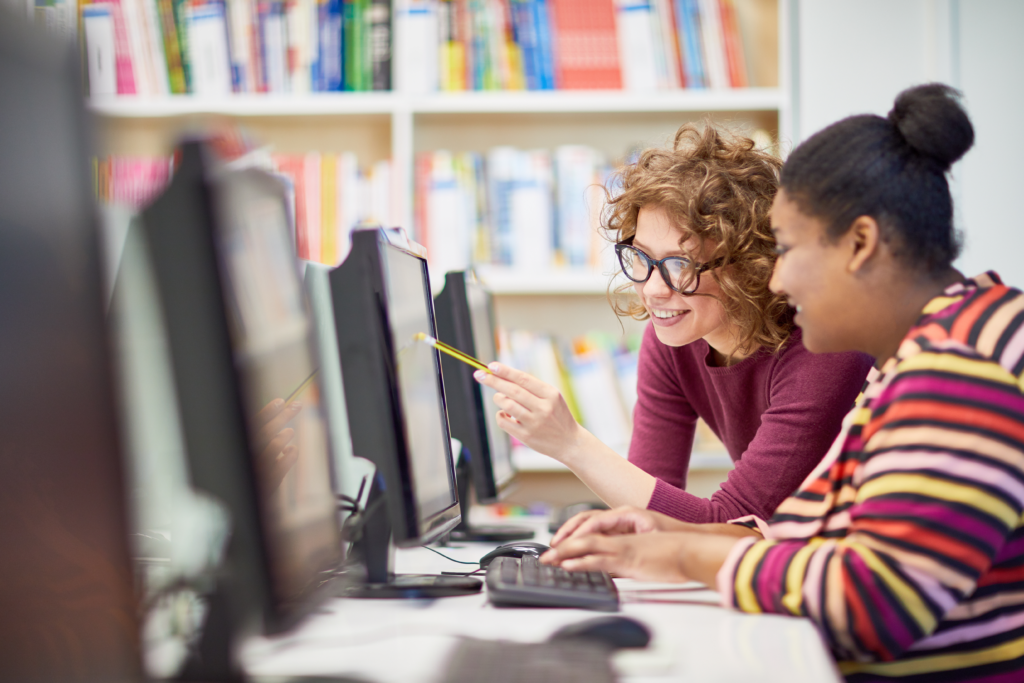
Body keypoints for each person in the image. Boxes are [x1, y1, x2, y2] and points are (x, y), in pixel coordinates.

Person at [543, 84, 1024, 681]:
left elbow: (873, 604)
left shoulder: (959, 367)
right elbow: (826, 537)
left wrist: (687, 551)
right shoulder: (930, 352)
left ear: (861, 245)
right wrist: (674, 535)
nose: (776, 282)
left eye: (788, 250)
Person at [475, 123, 873, 523]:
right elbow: (649, 502)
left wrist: (573, 444)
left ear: (750, 265)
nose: (652, 290)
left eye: (679, 265)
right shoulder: (671, 341)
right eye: (642, 257)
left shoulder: (825, 348)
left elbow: (736, 523)